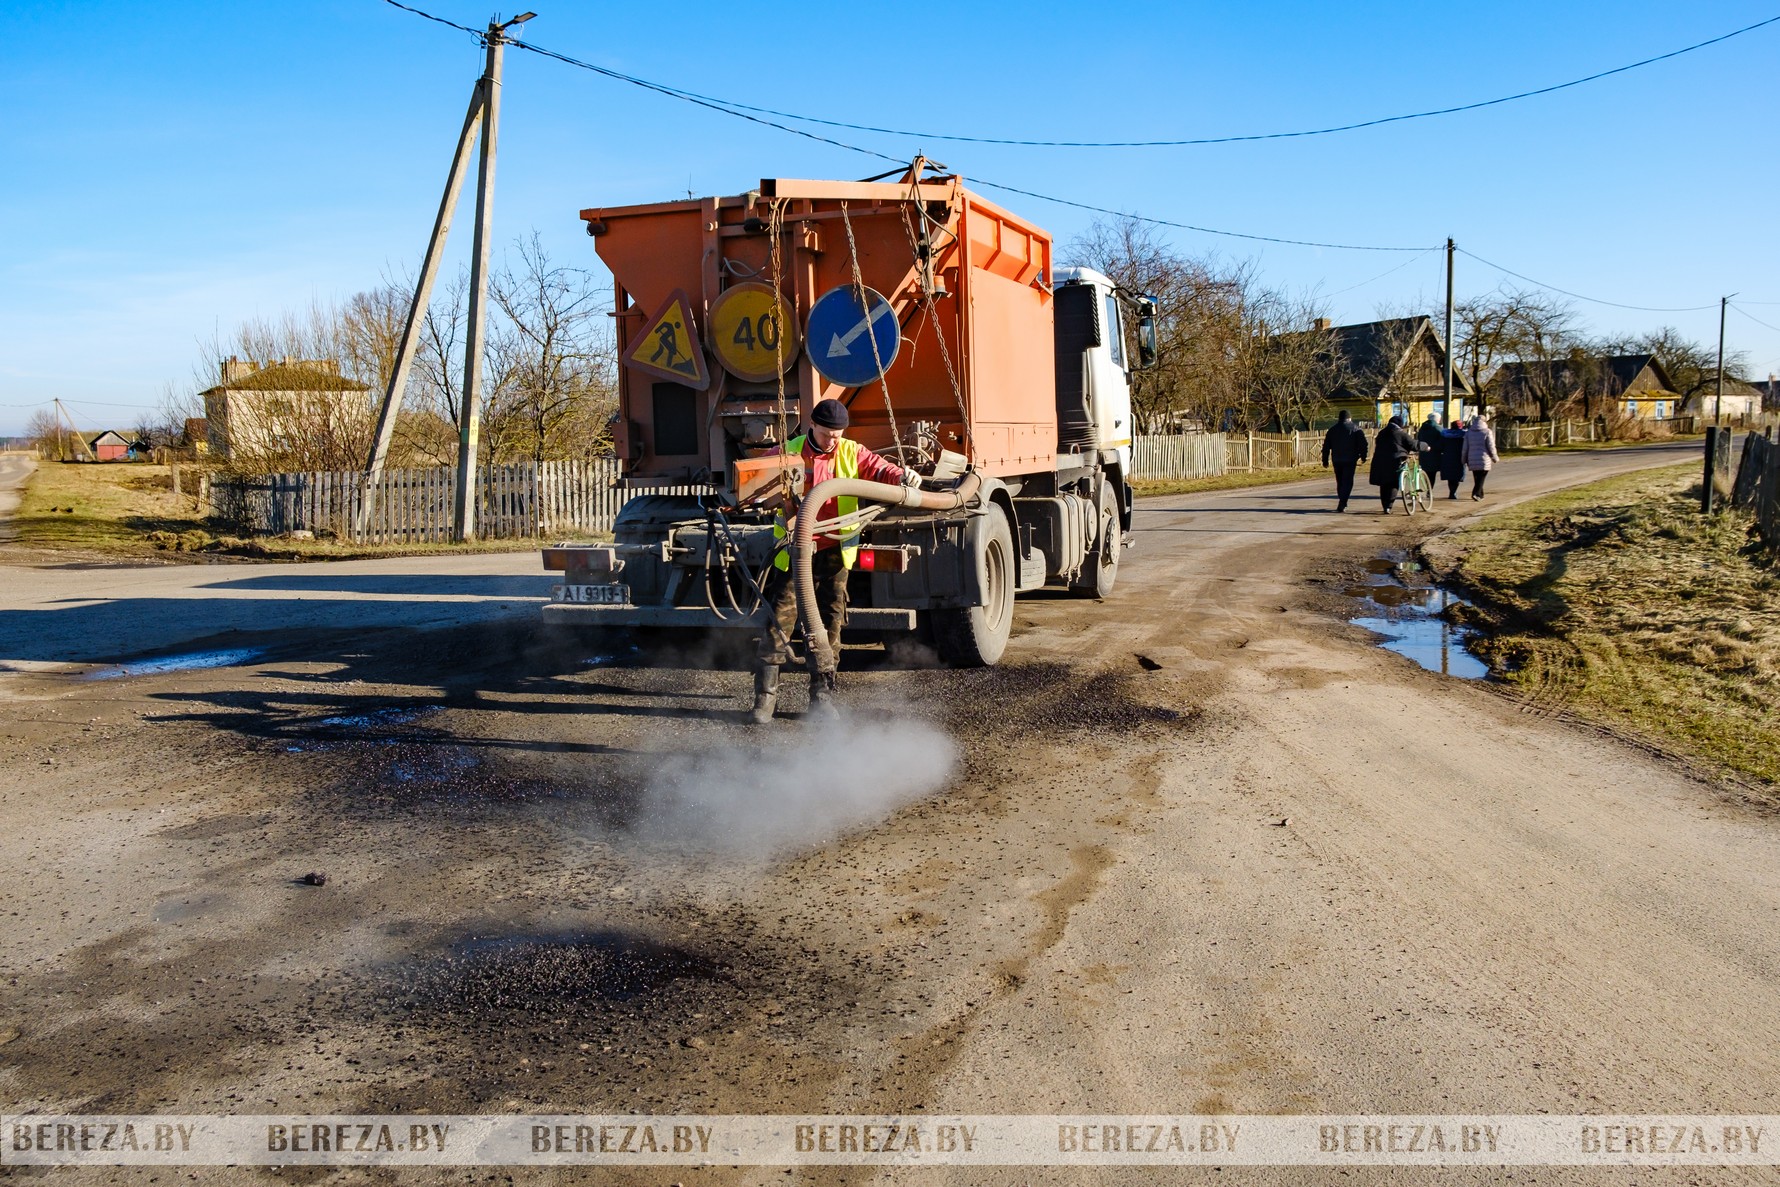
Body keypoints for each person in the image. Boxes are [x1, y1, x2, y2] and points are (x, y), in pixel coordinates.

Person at [750, 398, 907, 724]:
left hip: (834, 551)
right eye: (826, 435)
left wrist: (902, 476)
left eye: (837, 434)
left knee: (830, 624)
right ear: (812, 426)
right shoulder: (789, 450)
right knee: (778, 622)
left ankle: (822, 700)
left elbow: (879, 468)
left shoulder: (851, 451)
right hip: (794, 552)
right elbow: (754, 479)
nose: (832, 441)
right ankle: (765, 700)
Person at [1320, 410, 1369, 512]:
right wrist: (1363, 456)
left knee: (1340, 481)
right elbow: (1363, 444)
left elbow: (1326, 447)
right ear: (1349, 418)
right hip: (1350, 459)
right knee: (1347, 481)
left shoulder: (1332, 430)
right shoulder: (1355, 429)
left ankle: (1342, 501)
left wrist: (1325, 460)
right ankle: (1343, 502)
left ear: (1339, 418)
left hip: (1337, 459)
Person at [1369, 414, 1417, 513]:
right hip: (1395, 461)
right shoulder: (1400, 433)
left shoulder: (1381, 433)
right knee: (1393, 483)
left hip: (1380, 461)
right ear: (1400, 424)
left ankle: (1385, 506)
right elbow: (1413, 445)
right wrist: (1425, 446)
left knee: (1384, 484)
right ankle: (1389, 506)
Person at [1463, 415, 1500, 501]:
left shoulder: (1469, 432)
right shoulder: (1487, 432)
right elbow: (1491, 446)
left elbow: (1465, 448)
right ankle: (1476, 493)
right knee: (1481, 477)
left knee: (1477, 477)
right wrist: (1494, 457)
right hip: (1484, 457)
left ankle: (1480, 494)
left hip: (1471, 458)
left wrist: (1464, 459)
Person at [1416, 413, 1445, 492]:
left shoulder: (1422, 428)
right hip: (1434, 454)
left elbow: (1418, 439)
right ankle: (1429, 490)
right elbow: (1442, 442)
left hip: (1423, 454)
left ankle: (1428, 488)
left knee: (1427, 472)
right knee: (1432, 473)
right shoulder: (1439, 429)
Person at [1440, 416, 1468, 500]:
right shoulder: (1463, 436)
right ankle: (1453, 492)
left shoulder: (1445, 435)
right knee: (1457, 476)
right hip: (1459, 457)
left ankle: (1452, 492)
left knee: (1450, 476)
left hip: (1447, 457)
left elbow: (1441, 446)